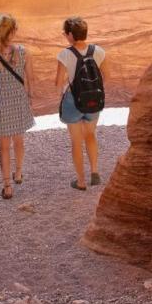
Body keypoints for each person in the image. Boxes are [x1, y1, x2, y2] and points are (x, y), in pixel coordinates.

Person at [0, 13, 36, 199]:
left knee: (4, 147)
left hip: (1, 102)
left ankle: (8, 186)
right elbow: (30, 78)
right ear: (12, 32)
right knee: (19, 141)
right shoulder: (24, 52)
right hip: (19, 101)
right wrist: (30, 96)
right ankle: (18, 173)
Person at [55, 15, 106, 191]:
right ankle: (94, 172)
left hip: (72, 100)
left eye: (65, 33)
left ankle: (81, 181)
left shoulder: (64, 54)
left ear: (70, 34)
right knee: (91, 135)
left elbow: (58, 82)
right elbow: (106, 76)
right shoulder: (98, 51)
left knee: (76, 142)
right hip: (93, 98)